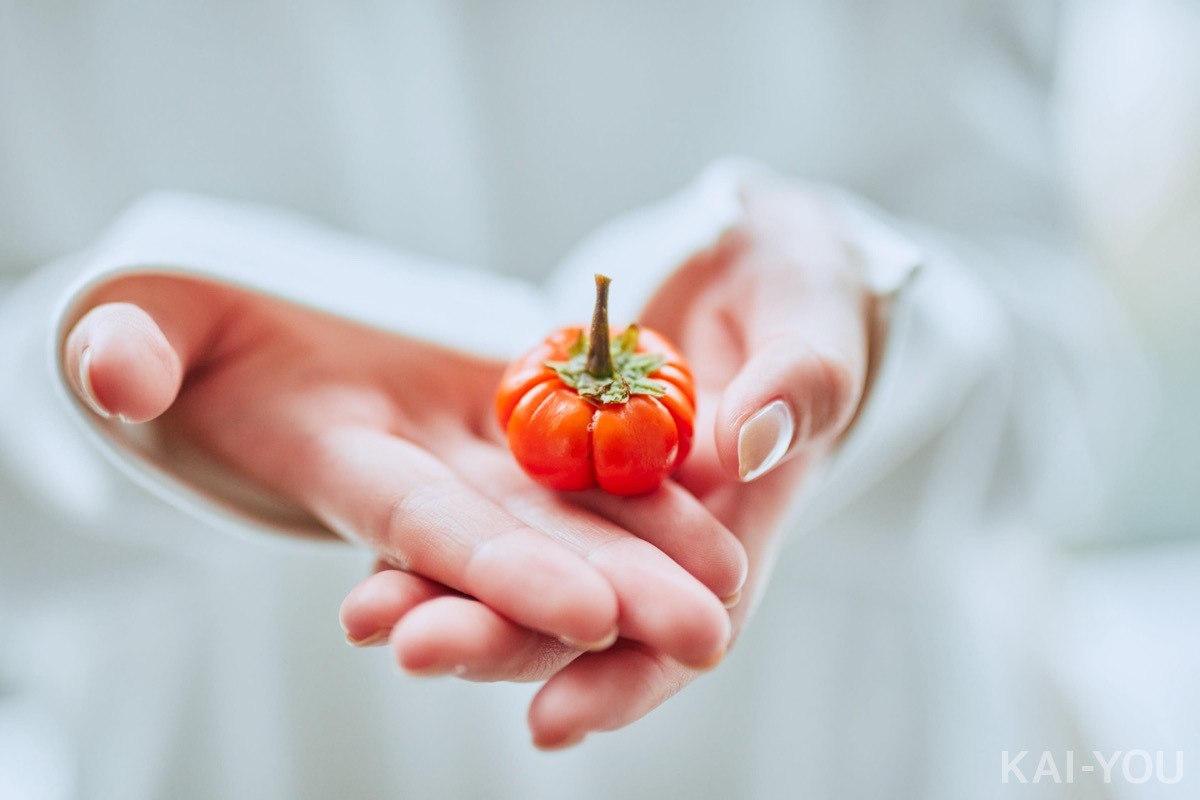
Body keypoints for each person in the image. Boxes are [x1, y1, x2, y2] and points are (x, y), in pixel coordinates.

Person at [0, 1, 1130, 798]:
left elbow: (1074, 383)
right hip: (219, 751)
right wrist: (84, 413)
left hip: (855, 749)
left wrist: (880, 320)